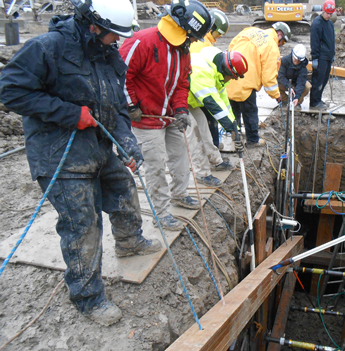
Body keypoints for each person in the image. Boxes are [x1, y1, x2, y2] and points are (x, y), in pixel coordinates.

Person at [0, 0, 163, 326]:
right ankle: (88, 296)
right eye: (112, 35)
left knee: (123, 190)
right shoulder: (48, 48)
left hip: (99, 148)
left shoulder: (107, 55)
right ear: (93, 26)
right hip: (59, 153)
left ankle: (130, 242)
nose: (117, 42)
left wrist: (127, 142)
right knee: (83, 225)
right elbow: (10, 90)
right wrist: (70, 114)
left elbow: (117, 105)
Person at [119, 0, 217, 231]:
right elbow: (121, 75)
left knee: (181, 159)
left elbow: (183, 82)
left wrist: (181, 108)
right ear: (184, 29)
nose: (194, 41)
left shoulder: (182, 51)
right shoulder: (142, 41)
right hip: (146, 118)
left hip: (171, 116)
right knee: (155, 167)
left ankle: (180, 194)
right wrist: (131, 105)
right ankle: (161, 214)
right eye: (193, 36)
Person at [187, 47, 247, 184]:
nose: (232, 79)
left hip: (188, 98)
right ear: (228, 70)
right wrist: (230, 129)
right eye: (232, 76)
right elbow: (211, 103)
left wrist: (234, 128)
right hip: (173, 99)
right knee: (194, 133)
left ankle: (215, 161)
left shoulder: (218, 74)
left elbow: (223, 104)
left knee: (203, 127)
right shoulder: (202, 71)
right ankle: (202, 174)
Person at [227, 22, 290, 146]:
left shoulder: (249, 30)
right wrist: (276, 95)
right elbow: (269, 78)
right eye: (282, 42)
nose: (281, 45)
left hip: (231, 76)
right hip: (247, 81)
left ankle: (236, 134)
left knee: (234, 109)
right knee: (250, 111)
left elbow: (231, 48)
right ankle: (252, 140)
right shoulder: (271, 46)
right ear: (280, 34)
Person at [190, 9, 230, 149]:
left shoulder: (205, 42)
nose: (218, 37)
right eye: (218, 33)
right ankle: (212, 148)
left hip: (198, 90)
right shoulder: (199, 45)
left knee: (209, 122)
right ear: (210, 27)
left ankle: (213, 147)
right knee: (208, 121)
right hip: (196, 92)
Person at [310, 0, 336, 110]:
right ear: (323, 11)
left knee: (324, 80)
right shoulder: (317, 23)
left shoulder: (330, 23)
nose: (329, 16)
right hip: (321, 57)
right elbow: (314, 42)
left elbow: (332, 40)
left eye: (331, 14)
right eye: (327, 13)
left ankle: (318, 98)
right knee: (318, 80)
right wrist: (315, 57)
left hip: (328, 56)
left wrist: (332, 53)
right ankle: (314, 102)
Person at [278, 44, 311, 111]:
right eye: (295, 59)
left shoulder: (303, 67)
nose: (297, 61)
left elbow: (301, 82)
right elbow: (280, 76)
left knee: (307, 86)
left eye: (299, 60)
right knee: (274, 84)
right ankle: (284, 100)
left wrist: (297, 97)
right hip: (285, 83)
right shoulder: (284, 61)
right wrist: (289, 87)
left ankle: (297, 102)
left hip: (296, 84)